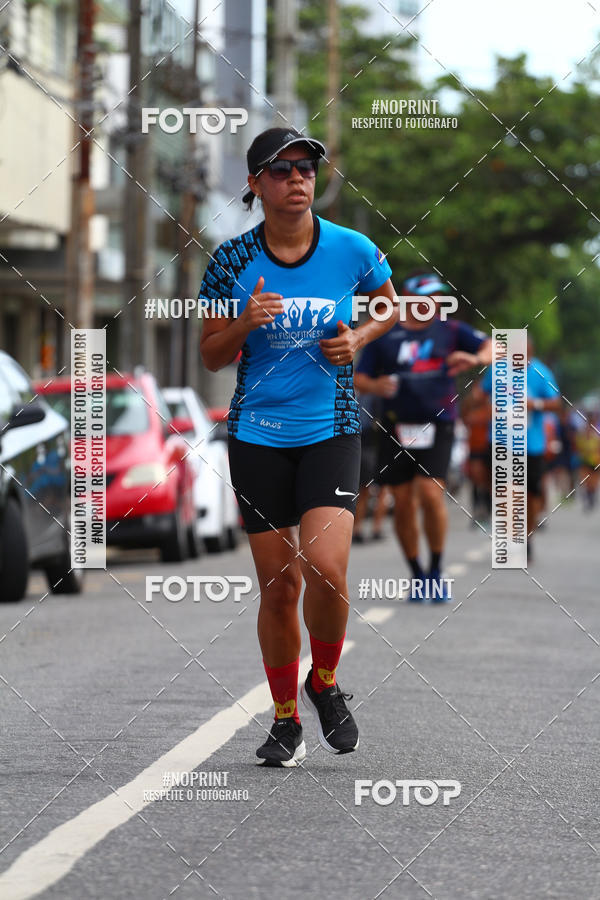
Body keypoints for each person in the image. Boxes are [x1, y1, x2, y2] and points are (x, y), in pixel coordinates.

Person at [199, 127, 397, 766]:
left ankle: (327, 681)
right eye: (280, 170)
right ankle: (285, 718)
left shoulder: (352, 248)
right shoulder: (231, 261)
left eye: (306, 168)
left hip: (332, 429)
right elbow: (209, 355)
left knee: (328, 569)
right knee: (279, 585)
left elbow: (388, 308)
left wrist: (358, 340)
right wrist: (244, 323)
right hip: (257, 435)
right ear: (255, 184)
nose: (297, 179)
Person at [354, 272, 492, 603]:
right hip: (394, 426)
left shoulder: (450, 330)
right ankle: (417, 573)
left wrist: (474, 359)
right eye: (424, 297)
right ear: (407, 298)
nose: (430, 303)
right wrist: (375, 386)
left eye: (435, 297)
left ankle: (436, 569)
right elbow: (358, 376)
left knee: (430, 494)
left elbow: (494, 346)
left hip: (439, 424)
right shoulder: (385, 332)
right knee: (401, 503)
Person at [482, 338, 561, 560]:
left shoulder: (541, 372)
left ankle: (527, 536)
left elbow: (556, 403)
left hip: (531, 444)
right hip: (500, 441)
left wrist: (533, 404)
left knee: (529, 494)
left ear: (531, 353)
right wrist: (486, 406)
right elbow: (480, 396)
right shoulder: (496, 369)